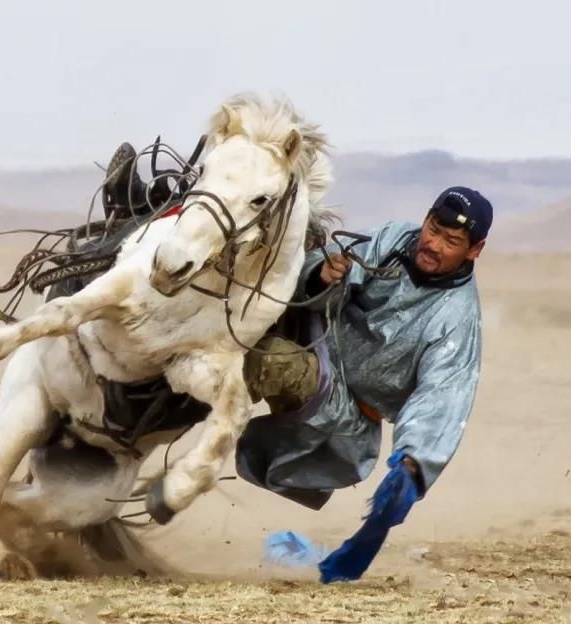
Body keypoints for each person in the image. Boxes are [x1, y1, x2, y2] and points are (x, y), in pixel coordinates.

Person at [102, 143, 490, 581]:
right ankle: (145, 218)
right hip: (314, 328)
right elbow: (338, 268)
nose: (433, 244)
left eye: (451, 242)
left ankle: (150, 414)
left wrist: (411, 468)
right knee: (270, 246)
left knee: (263, 358)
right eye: (433, 229)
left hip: (340, 408)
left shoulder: (456, 322)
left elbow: (441, 400)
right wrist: (322, 274)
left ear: (473, 250)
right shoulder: (397, 239)